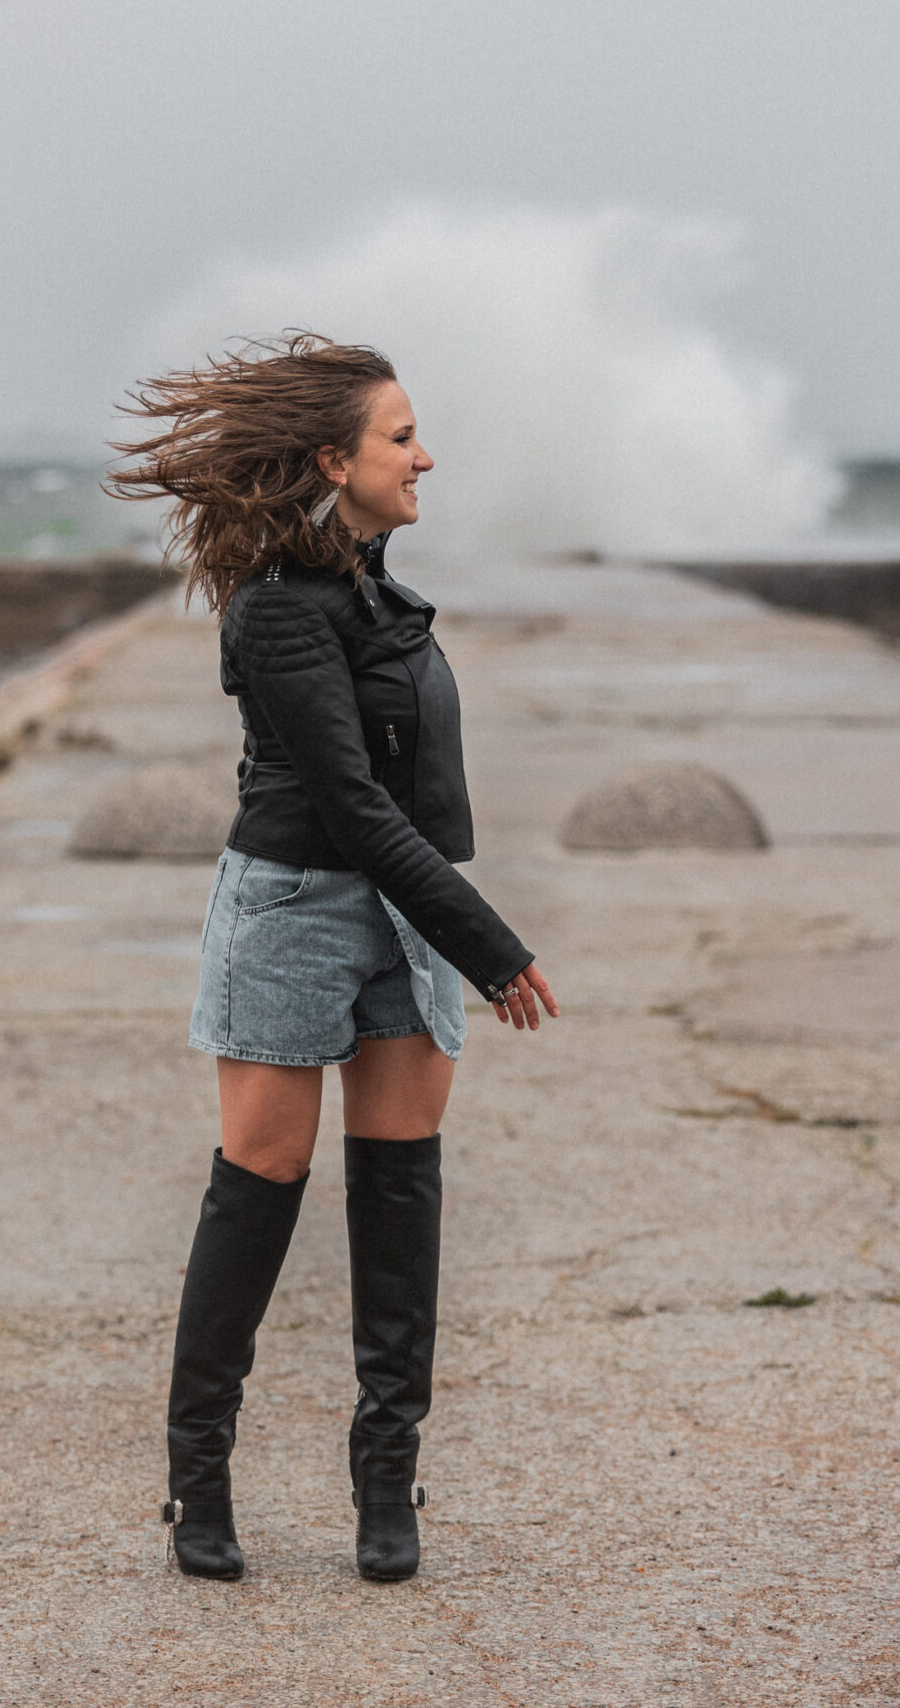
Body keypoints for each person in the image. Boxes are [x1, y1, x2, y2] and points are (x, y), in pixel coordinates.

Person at [108, 333, 558, 1584]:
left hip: (404, 917)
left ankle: (384, 1478)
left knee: (400, 1185)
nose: (425, 453)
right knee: (260, 1178)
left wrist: (444, 927)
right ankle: (198, 1478)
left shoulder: (375, 586)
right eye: (400, 436)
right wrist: (491, 944)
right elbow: (356, 810)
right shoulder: (277, 615)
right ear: (333, 459)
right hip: (295, 905)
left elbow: (408, 801)